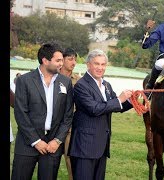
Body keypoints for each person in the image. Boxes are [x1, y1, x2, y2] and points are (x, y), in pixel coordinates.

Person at [11, 43, 74, 180]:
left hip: (53, 145)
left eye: (62, 60)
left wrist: (57, 141)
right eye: (58, 60)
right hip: (27, 143)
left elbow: (68, 115)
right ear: (45, 61)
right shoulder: (24, 80)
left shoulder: (65, 82)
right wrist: (35, 140)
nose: (61, 64)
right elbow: (21, 113)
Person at [68, 49, 133, 180]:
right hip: (84, 148)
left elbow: (116, 107)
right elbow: (94, 109)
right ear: (88, 64)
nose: (100, 68)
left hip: (101, 147)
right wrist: (119, 99)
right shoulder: (81, 85)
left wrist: (134, 101)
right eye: (96, 64)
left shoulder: (106, 84)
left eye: (103, 64)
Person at [60, 48, 81, 180]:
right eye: (70, 59)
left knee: (71, 161)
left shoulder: (79, 81)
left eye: (75, 59)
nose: (73, 62)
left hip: (70, 128)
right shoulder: (53, 77)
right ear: (62, 60)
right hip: (52, 126)